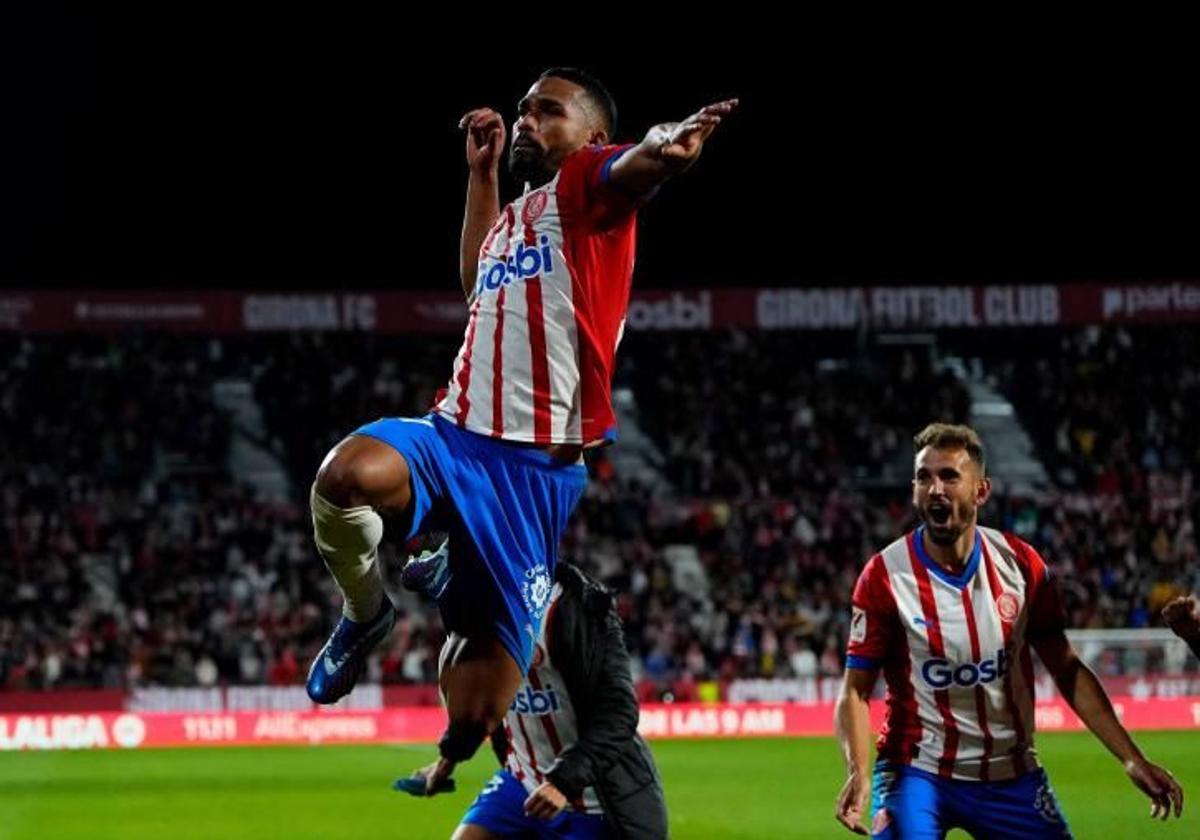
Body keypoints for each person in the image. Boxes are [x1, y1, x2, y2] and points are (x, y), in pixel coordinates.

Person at [305, 66, 736, 795]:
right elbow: (477, 283)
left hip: (530, 473)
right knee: (343, 476)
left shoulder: (589, 190)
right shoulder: (517, 215)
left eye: (546, 111)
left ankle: (451, 562)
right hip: (453, 433)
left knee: (475, 710)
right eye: (522, 110)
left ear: (592, 136)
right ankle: (365, 612)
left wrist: (667, 145)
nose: (526, 121)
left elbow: (638, 164)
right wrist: (479, 177)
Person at [834, 422, 1184, 837]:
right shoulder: (884, 576)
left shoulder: (1021, 565)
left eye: (949, 476)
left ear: (981, 491)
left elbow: (1066, 668)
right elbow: (855, 689)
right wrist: (859, 771)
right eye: (924, 477)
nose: (935, 488)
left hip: (1010, 775)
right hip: (915, 772)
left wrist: (1131, 757)